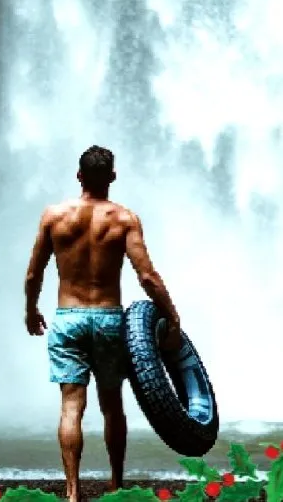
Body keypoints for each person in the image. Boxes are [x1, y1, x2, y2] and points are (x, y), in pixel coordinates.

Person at [24, 145, 181, 502]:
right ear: (112, 176)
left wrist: (31, 310)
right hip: (110, 319)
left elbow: (35, 272)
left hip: (68, 318)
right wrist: (171, 315)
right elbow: (148, 277)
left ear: (79, 176)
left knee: (70, 406)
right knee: (112, 405)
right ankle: (115, 483)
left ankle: (73, 492)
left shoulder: (54, 216)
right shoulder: (124, 219)